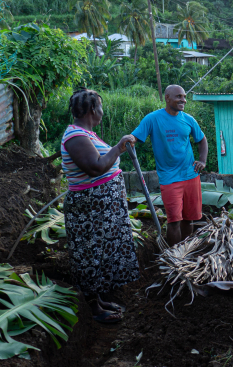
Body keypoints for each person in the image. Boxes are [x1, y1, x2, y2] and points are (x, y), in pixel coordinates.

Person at [61, 88, 141, 324]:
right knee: (90, 255)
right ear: (93, 109)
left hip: (100, 211)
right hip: (89, 211)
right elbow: (95, 167)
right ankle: (94, 308)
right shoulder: (75, 136)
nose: (103, 113)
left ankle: (99, 299)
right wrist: (118, 147)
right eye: (101, 107)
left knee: (100, 253)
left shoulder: (86, 133)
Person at [132, 85, 208, 246]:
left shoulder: (188, 119)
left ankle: (186, 254)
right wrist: (126, 142)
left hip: (190, 175)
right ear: (167, 98)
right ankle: (174, 257)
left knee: (188, 220)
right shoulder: (153, 119)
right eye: (179, 96)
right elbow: (136, 137)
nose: (183, 100)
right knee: (174, 221)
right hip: (169, 178)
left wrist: (202, 160)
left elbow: (201, 139)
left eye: (184, 96)